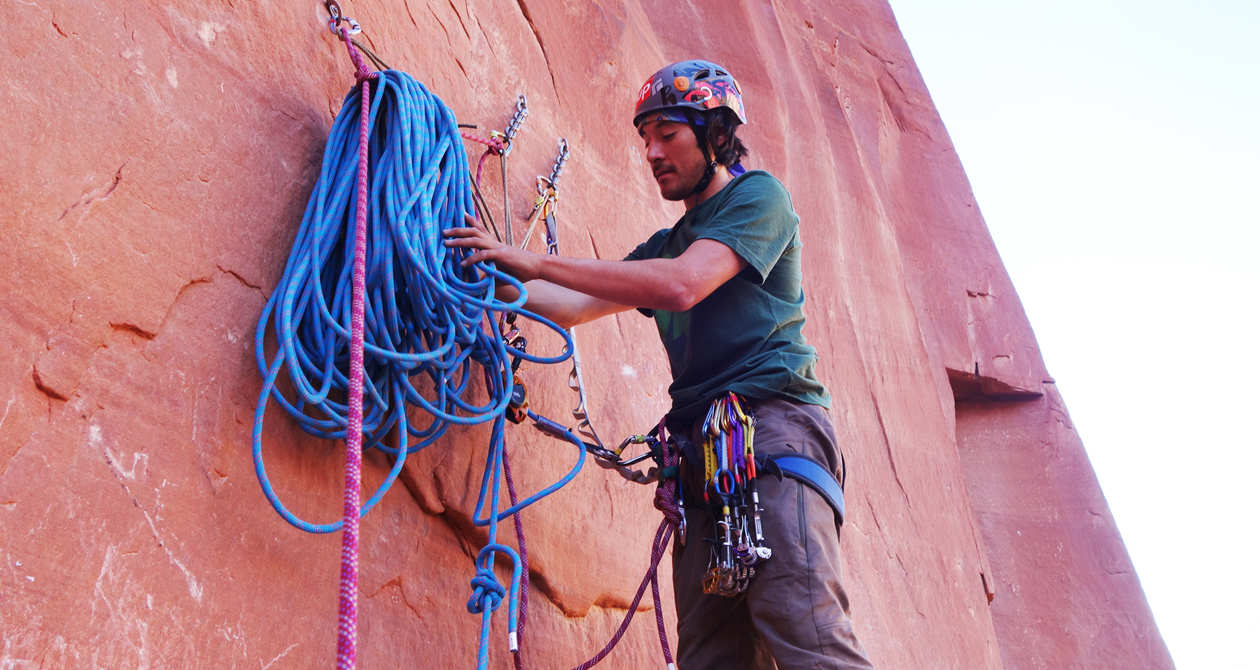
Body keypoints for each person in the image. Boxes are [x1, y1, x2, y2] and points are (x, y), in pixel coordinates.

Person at [445, 59, 874, 670]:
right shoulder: (664, 247)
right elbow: (568, 306)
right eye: (644, 137)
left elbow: (682, 286)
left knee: (798, 618)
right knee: (710, 654)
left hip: (776, 429)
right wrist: (477, 275)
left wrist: (532, 261)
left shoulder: (760, 198)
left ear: (717, 134)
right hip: (706, 457)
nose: (651, 151)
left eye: (667, 133)